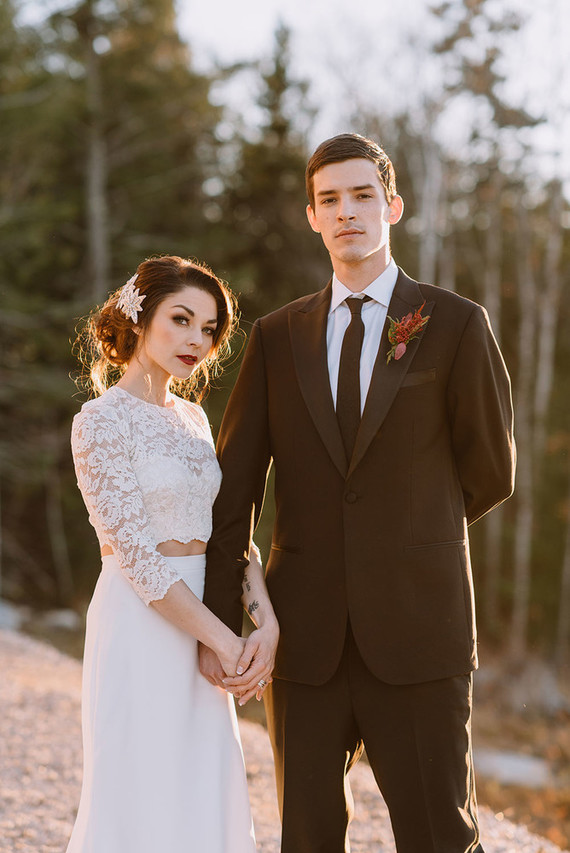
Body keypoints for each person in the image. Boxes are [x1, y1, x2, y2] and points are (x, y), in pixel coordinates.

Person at [199, 134, 516, 853]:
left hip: (421, 630)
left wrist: (404, 539)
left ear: (393, 206)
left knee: (441, 834)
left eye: (362, 195)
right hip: (302, 643)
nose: (347, 212)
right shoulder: (277, 338)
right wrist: (222, 625)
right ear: (312, 215)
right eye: (330, 199)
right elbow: (236, 488)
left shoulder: (458, 324)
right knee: (307, 837)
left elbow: (492, 470)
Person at [67, 255, 278, 853]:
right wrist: (226, 641)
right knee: (139, 788)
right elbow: (136, 557)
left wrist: (263, 616)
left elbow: (227, 532)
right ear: (139, 317)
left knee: (202, 787)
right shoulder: (100, 421)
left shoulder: (193, 420)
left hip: (205, 620)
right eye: (181, 319)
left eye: (209, 329)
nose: (196, 340)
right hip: (140, 622)